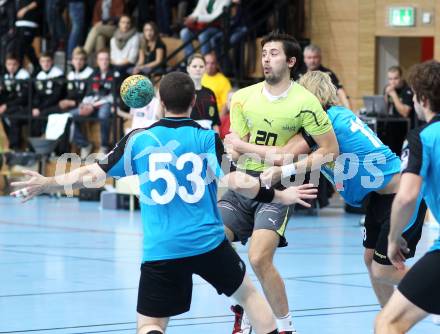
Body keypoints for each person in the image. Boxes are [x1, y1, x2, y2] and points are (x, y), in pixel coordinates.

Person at [11, 71, 318, 334]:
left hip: (162, 248)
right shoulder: (206, 138)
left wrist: (47, 183)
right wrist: (280, 195)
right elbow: (239, 181)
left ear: (159, 102)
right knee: (250, 297)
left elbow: (92, 172)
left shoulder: (138, 139)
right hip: (208, 243)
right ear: (194, 103)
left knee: (150, 325)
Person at [241, 70, 426, 307]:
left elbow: (286, 154)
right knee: (371, 260)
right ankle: (389, 321)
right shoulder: (334, 115)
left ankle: (432, 290)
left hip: (401, 197)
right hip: (380, 198)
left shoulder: (324, 122)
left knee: (382, 270)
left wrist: (244, 146)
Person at [219, 32, 339, 334]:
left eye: (273, 53)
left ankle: (285, 327)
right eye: (263, 54)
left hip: (279, 189)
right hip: (243, 184)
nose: (266, 59)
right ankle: (247, 305)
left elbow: (329, 151)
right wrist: (238, 148)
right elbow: (236, 144)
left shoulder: (306, 103)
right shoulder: (244, 97)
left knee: (259, 257)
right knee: (212, 242)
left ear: (291, 61)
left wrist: (285, 168)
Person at [375, 60, 440, 334]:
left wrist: (393, 239)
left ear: (422, 99)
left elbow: (406, 196)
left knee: (388, 323)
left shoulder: (422, 138)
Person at [70, 49, 119, 157]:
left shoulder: (115, 74)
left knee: (103, 114)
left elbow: (113, 97)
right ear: (97, 61)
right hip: (92, 105)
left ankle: (104, 147)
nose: (104, 62)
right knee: (70, 115)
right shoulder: (93, 74)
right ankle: (84, 144)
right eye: (101, 59)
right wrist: (85, 105)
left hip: (106, 104)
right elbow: (88, 94)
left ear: (109, 60)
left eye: (106, 59)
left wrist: (93, 105)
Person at [300, 44, 351, 110]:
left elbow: (341, 92)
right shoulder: (297, 73)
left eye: (315, 57)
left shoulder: (328, 74)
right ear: (304, 59)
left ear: (320, 58)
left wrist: (349, 110)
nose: (312, 61)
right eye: (309, 57)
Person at [0, 53, 30, 150]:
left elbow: (23, 98)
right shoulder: (6, 76)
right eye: (9, 64)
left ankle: (15, 147)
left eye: (14, 64)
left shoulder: (24, 76)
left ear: (18, 64)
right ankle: (13, 145)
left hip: (24, 106)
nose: (11, 67)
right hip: (11, 106)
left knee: (13, 117)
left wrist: (6, 105)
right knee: (4, 115)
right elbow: (7, 95)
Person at [383, 65, 414, 156]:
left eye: (395, 78)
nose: (392, 82)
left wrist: (393, 95)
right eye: (390, 79)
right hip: (391, 127)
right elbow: (384, 110)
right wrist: (385, 95)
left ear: (401, 77)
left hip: (405, 129)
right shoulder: (388, 89)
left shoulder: (407, 90)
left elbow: (405, 112)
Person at [31, 52, 65, 136]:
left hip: (56, 105)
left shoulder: (59, 75)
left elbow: (57, 96)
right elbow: (36, 95)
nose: (45, 64)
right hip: (41, 106)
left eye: (48, 61)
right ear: (40, 62)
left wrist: (40, 108)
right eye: (43, 61)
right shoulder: (39, 76)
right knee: (28, 114)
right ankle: (32, 145)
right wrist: (35, 107)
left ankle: (45, 142)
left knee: (43, 115)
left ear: (52, 62)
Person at [186, 53, 220, 132]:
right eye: (194, 66)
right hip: (189, 136)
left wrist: (217, 141)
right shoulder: (182, 92)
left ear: (205, 69)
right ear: (188, 69)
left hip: (207, 138)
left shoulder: (210, 93)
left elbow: (215, 123)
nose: (198, 69)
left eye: (201, 66)